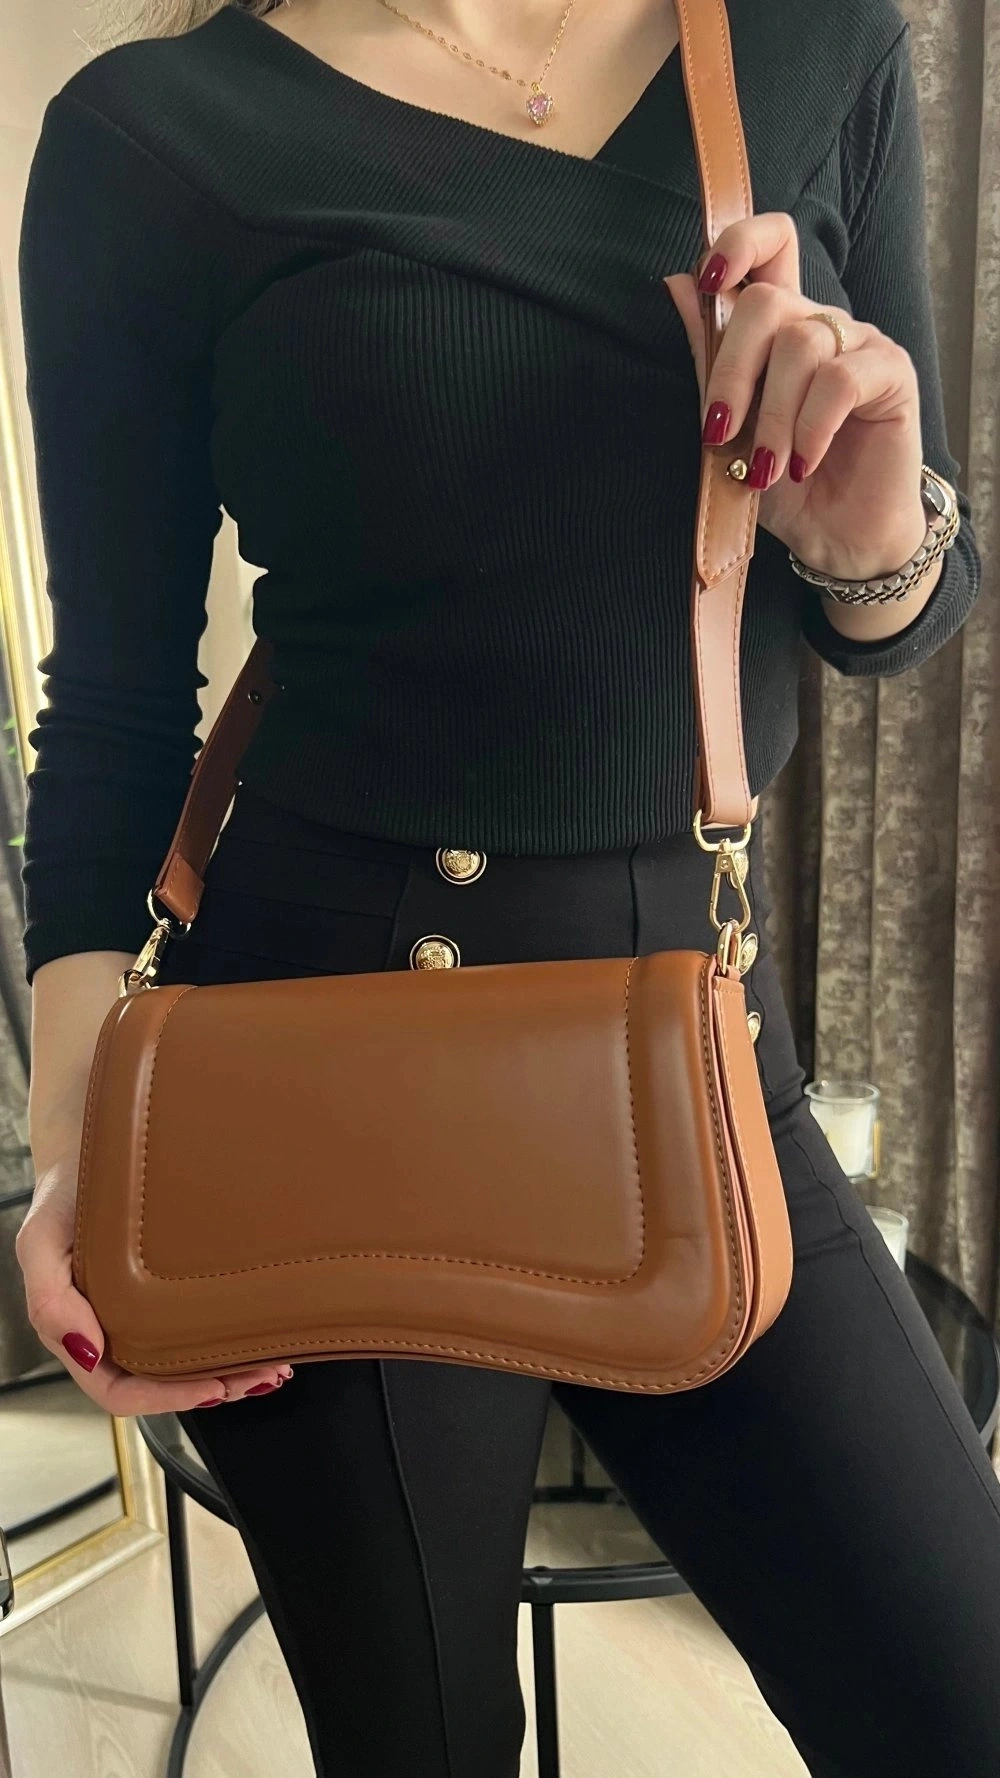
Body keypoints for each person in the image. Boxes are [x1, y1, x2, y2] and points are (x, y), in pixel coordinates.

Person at [13, 1, 1000, 1773]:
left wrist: (869, 539)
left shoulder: (811, 40)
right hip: (320, 1078)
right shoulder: (153, 135)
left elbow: (909, 602)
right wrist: (83, 1140)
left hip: (695, 1030)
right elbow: (112, 712)